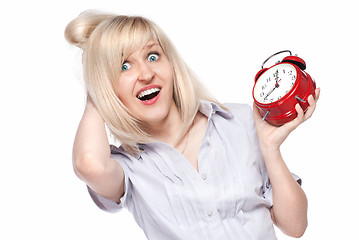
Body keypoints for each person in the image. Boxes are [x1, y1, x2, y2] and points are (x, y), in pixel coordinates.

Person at [65, 10, 320, 240]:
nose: (145, 74)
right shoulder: (129, 168)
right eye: (124, 66)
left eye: (153, 56)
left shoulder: (239, 122)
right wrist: (96, 83)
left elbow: (295, 226)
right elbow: (88, 163)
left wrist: (270, 148)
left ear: (171, 64)